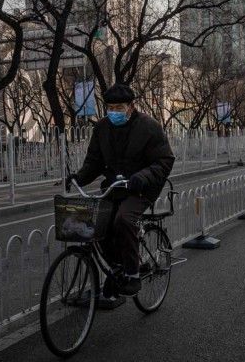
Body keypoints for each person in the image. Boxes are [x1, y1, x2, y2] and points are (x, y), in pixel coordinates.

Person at [67, 84, 175, 297]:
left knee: (124, 219)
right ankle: (117, 268)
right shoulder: (101, 128)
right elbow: (94, 162)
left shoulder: (149, 126)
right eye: (110, 107)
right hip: (114, 187)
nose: (114, 111)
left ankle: (132, 275)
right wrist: (79, 177)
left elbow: (165, 160)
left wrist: (142, 177)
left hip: (141, 187)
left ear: (131, 106)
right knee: (99, 222)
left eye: (119, 107)